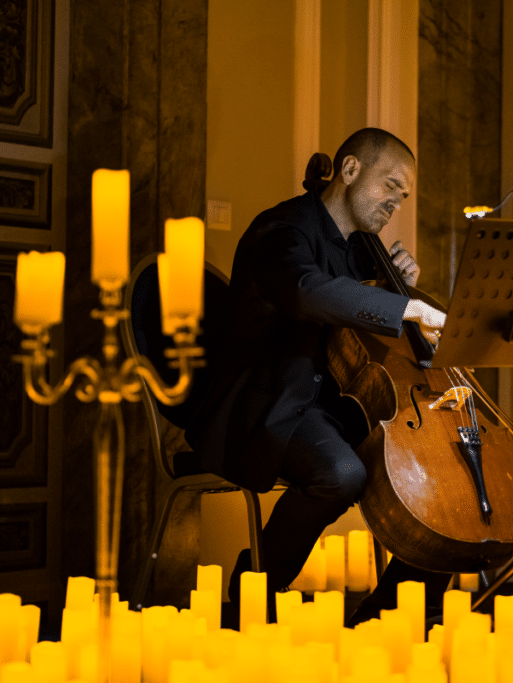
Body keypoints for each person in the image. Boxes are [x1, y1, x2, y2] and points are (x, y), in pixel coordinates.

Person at [184, 127, 452, 623]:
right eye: (389, 185)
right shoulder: (281, 230)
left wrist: (398, 286)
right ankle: (253, 588)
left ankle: (394, 609)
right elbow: (307, 290)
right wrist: (403, 305)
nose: (397, 203)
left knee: (439, 476)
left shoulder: (359, 249)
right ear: (349, 170)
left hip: (326, 404)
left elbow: (359, 337)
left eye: (404, 196)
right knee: (342, 473)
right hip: (266, 402)